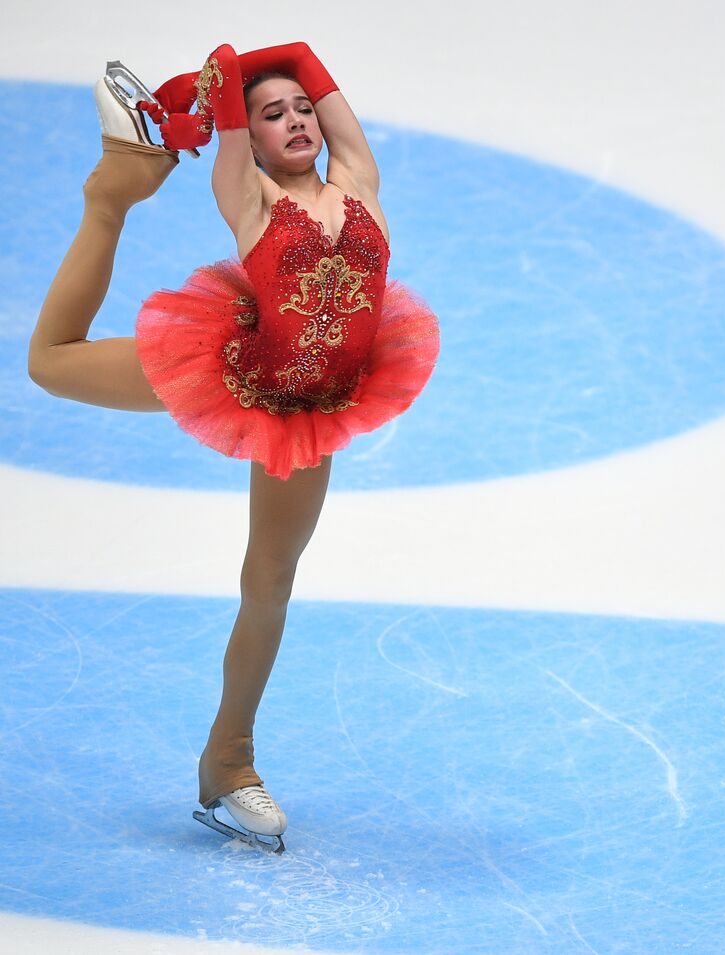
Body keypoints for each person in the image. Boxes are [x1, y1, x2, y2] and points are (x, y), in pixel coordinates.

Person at [27, 45, 441, 853]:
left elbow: (307, 64)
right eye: (269, 114)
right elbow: (230, 109)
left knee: (270, 581)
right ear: (245, 141)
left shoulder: (358, 181)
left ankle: (228, 760)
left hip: (311, 404)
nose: (293, 119)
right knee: (50, 364)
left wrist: (261, 71)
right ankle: (106, 200)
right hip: (237, 369)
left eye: (300, 108)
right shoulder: (246, 195)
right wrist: (211, 95)